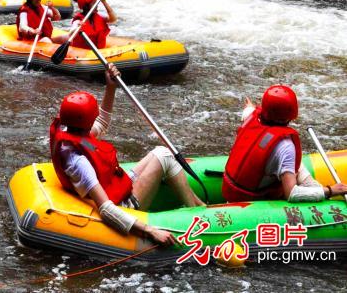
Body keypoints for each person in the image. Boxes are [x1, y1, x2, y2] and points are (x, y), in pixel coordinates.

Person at [50, 63, 204, 246]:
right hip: (124, 205)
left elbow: (102, 123)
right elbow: (106, 209)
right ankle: (198, 213)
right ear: (86, 122)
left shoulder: (71, 135)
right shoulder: (79, 162)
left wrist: (111, 86)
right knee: (164, 156)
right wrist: (150, 230)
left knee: (162, 152)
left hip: (116, 187)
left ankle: (201, 205)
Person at [222, 85, 347, 203]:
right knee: (289, 163)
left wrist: (250, 106)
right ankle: (317, 190)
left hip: (233, 192)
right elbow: (292, 193)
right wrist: (331, 190)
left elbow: (249, 110)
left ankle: (311, 185)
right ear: (291, 114)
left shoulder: (251, 117)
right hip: (254, 203)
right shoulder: (285, 147)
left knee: (295, 164)